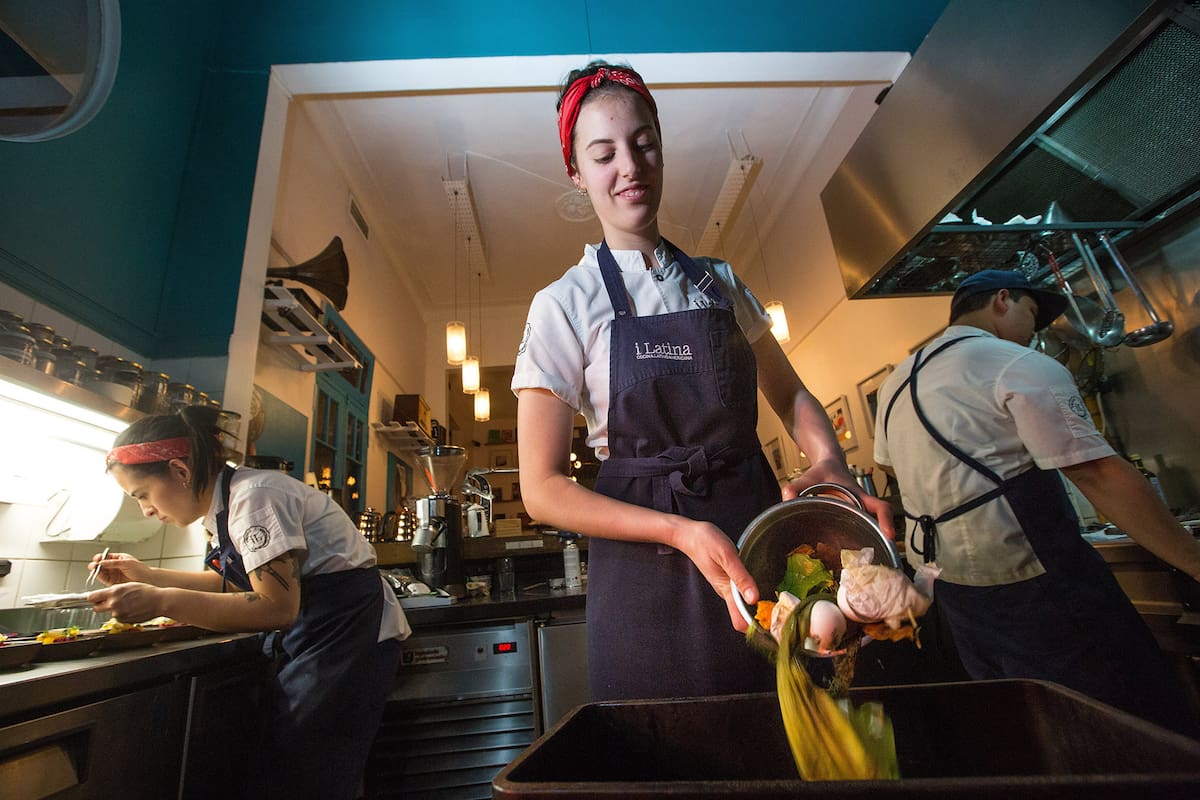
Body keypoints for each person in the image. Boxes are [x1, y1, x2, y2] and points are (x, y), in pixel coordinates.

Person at [511, 60, 892, 701]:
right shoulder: (564, 304)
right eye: (603, 154)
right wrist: (679, 532)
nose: (629, 167)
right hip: (644, 559)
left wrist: (828, 459)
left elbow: (790, 391)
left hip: (752, 528)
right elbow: (542, 490)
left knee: (776, 713)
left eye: (643, 143)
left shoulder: (720, 282)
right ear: (576, 173)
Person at [874, 268, 1200, 735]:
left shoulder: (894, 385)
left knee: (1028, 729)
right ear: (1003, 300)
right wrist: (1194, 561)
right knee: (1127, 726)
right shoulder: (1013, 363)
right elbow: (1097, 472)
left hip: (958, 599)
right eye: (1032, 313)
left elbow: (889, 466)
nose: (1035, 331)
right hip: (1042, 593)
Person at [88, 405, 409, 798]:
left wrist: (161, 601)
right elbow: (239, 583)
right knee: (314, 773)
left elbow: (276, 606)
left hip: (347, 637)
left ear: (180, 472)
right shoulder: (225, 506)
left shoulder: (255, 499)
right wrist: (150, 577)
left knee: (307, 777)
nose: (146, 509)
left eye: (143, 495)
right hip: (323, 636)